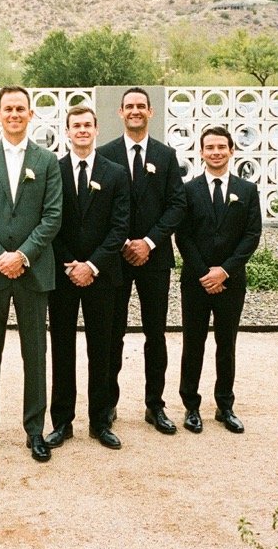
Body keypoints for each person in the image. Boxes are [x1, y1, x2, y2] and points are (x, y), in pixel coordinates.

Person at [0, 86, 62, 463]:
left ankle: (35, 431)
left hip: (34, 272)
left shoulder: (47, 161)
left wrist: (22, 256)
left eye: (21, 108)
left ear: (30, 114)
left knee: (35, 354)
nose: (15, 114)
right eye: (8, 109)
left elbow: (52, 216)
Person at [96, 87, 186, 435]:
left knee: (156, 335)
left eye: (140, 106)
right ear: (120, 113)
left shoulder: (165, 156)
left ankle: (155, 405)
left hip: (154, 257)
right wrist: (118, 244)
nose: (135, 111)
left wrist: (148, 242)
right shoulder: (105, 155)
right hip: (115, 260)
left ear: (150, 112)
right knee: (111, 334)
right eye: (129, 106)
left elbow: (177, 206)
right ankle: (107, 405)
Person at [46, 105, 130, 451]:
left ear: (96, 130)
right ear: (67, 132)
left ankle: (100, 420)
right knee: (62, 349)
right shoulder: (54, 171)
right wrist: (70, 263)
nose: (81, 130)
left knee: (102, 349)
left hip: (103, 275)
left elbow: (119, 226)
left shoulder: (116, 172)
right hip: (63, 275)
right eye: (75, 125)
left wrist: (92, 265)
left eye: (87, 125)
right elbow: (49, 222)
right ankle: (62, 422)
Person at [175, 125, 262, 435]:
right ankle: (191, 406)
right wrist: (203, 273)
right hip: (196, 281)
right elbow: (182, 235)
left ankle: (225, 405)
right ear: (201, 152)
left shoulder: (248, 191)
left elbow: (252, 235)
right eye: (209, 147)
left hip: (231, 281)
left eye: (221, 147)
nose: (215, 152)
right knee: (193, 344)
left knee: (226, 345)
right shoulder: (187, 190)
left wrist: (224, 271)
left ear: (231, 151)